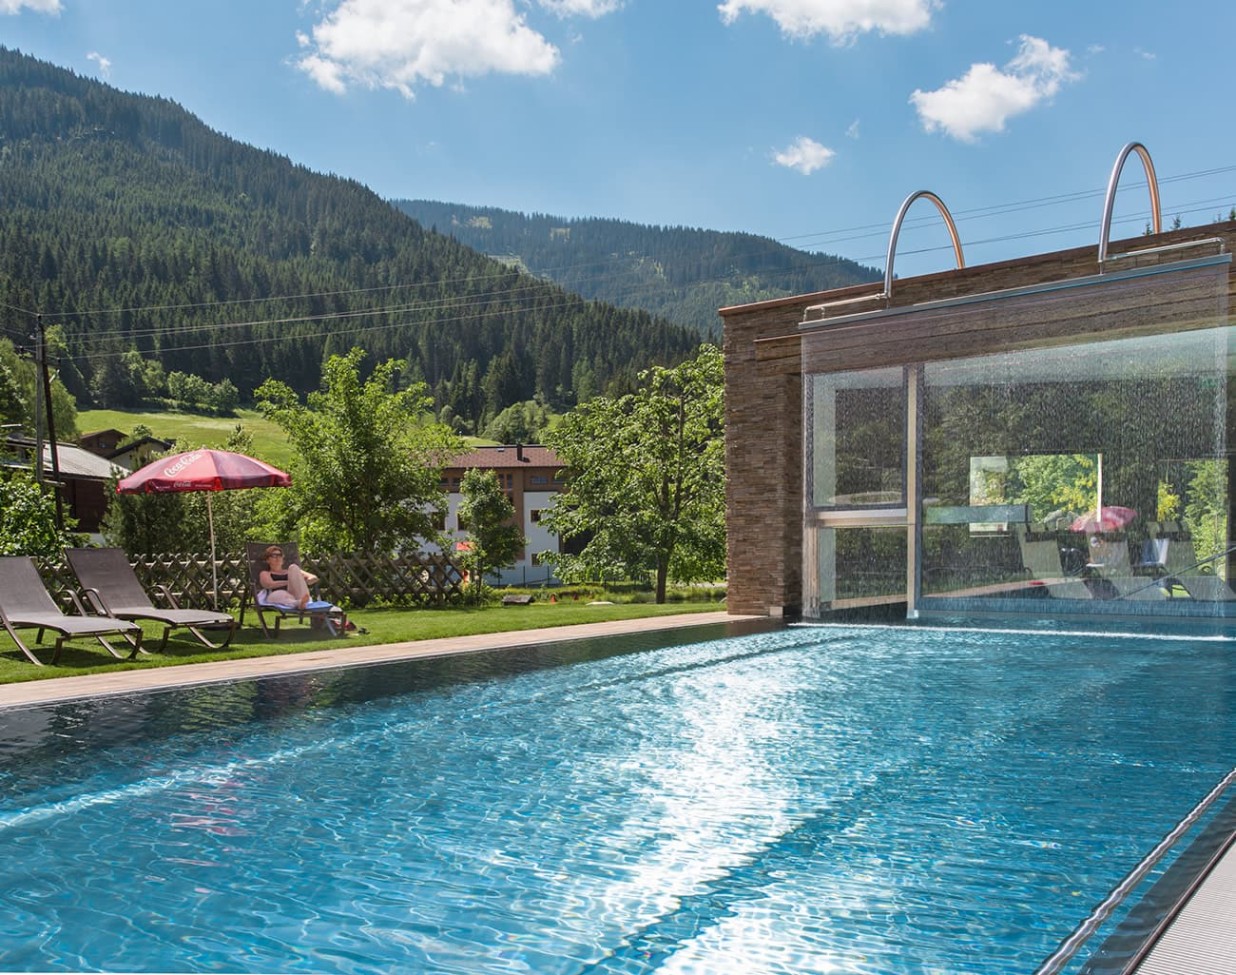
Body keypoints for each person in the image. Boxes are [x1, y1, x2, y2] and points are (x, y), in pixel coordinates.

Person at [258, 545, 318, 610]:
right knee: (279, 594)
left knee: (293, 567)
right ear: (267, 560)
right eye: (274, 556)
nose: (278, 558)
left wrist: (304, 581)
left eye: (280, 555)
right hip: (279, 595)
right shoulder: (265, 573)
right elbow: (269, 584)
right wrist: (291, 582)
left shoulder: (291, 571)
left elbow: (313, 577)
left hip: (297, 594)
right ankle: (299, 603)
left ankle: (301, 602)